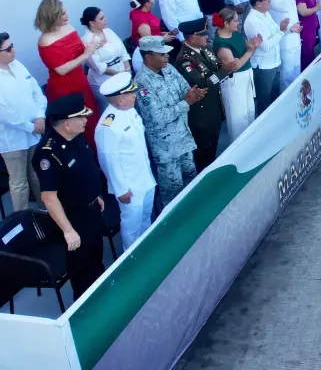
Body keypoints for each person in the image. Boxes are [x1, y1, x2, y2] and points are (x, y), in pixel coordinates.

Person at [33, 94, 106, 299]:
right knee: (81, 266)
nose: (85, 120)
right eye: (81, 118)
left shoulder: (75, 136)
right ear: (67, 124)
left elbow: (85, 169)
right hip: (74, 218)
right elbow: (49, 198)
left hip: (91, 209)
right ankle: (86, 306)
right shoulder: (48, 153)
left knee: (95, 257)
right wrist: (68, 231)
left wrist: (94, 195)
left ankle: (101, 293)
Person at [0, 32, 46, 214]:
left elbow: (36, 91)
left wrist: (40, 115)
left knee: (37, 173)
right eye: (8, 49)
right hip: (12, 140)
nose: (13, 50)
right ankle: (20, 219)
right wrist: (32, 127)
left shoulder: (17, 65)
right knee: (19, 182)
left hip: (34, 130)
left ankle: (45, 209)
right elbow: (4, 115)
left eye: (11, 45)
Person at [134, 36, 201, 206]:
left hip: (184, 138)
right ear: (148, 57)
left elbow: (186, 88)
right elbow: (157, 118)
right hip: (166, 148)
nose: (166, 57)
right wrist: (185, 103)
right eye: (161, 54)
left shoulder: (169, 68)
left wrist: (189, 97)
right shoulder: (142, 83)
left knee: (191, 179)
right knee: (173, 190)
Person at [94, 73, 155, 251]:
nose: (135, 95)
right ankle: (132, 259)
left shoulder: (129, 110)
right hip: (130, 187)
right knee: (131, 228)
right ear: (120, 100)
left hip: (145, 178)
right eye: (130, 94)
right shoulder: (108, 127)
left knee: (145, 219)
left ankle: (147, 251)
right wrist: (121, 189)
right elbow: (108, 161)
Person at [36, 0, 101, 145]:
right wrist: (86, 54)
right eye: (62, 14)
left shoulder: (69, 27)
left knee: (91, 121)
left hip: (81, 83)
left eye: (66, 12)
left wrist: (92, 46)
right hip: (64, 89)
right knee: (75, 127)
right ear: (51, 16)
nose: (67, 16)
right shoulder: (45, 40)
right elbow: (61, 69)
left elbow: (78, 51)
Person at [174, 18, 225, 170]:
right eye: (202, 35)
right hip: (202, 114)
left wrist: (220, 72)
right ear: (191, 38)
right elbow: (202, 84)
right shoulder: (185, 59)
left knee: (213, 146)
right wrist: (224, 72)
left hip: (214, 108)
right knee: (204, 153)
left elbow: (216, 66)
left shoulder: (204, 48)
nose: (206, 37)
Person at [245, 0, 295, 114]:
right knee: (264, 102)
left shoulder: (265, 13)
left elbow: (275, 33)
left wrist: (288, 30)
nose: (270, 1)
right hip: (264, 67)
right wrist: (282, 31)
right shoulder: (253, 21)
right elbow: (266, 46)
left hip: (274, 62)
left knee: (274, 98)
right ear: (258, 3)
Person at [211, 8, 258, 140]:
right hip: (234, 81)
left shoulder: (235, 34)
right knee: (238, 118)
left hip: (247, 76)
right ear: (226, 23)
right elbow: (234, 66)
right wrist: (250, 51)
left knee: (249, 112)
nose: (238, 23)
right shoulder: (221, 43)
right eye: (236, 21)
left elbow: (243, 55)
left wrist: (252, 46)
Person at [80, 7, 130, 113]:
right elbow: (98, 67)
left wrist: (127, 66)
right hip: (104, 79)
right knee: (112, 110)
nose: (105, 20)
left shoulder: (108, 31)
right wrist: (119, 74)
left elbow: (122, 50)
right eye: (101, 18)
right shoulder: (86, 40)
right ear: (92, 23)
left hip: (122, 71)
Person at [270, 0, 305, 89]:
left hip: (294, 37)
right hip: (285, 39)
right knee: (287, 75)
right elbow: (283, 8)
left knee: (296, 71)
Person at [295, 0, 321, 71]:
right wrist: (318, 7)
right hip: (305, 28)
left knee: (310, 50)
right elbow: (303, 12)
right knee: (306, 52)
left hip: (312, 26)